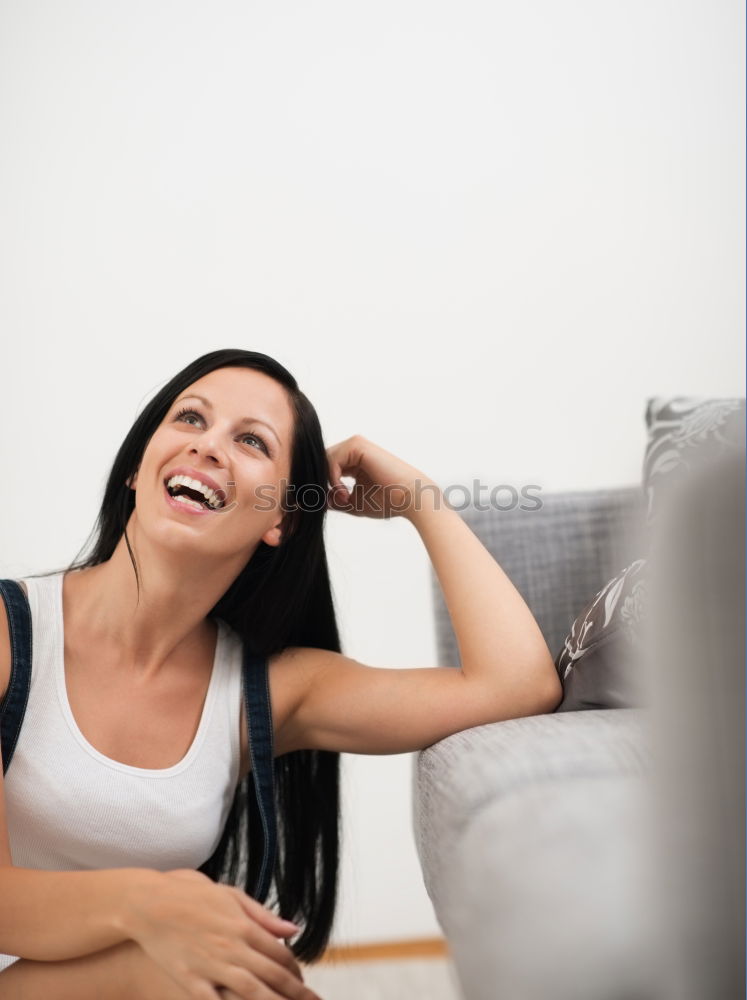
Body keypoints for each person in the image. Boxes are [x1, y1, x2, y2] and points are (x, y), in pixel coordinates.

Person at [0, 348, 562, 999]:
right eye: (189, 419)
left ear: (281, 519)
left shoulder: (267, 692)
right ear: (135, 466)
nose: (208, 447)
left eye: (249, 440)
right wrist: (148, 905)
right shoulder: (12, 637)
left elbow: (517, 685)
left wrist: (420, 501)